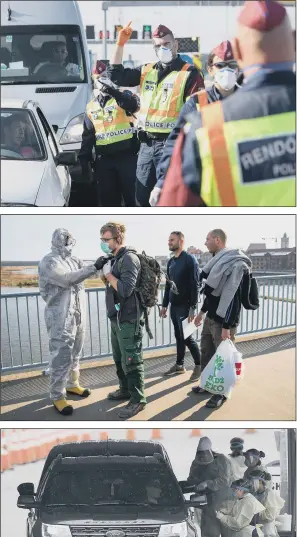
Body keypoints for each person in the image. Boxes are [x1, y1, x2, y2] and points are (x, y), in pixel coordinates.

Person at [158, 0, 296, 207]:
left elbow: (175, 206)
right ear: (294, 41)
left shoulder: (205, 127)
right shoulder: (198, 106)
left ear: (238, 52)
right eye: (220, 65)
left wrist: (161, 183)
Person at [108, 22, 204, 206]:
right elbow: (116, 75)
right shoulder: (146, 70)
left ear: (176, 45)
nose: (163, 48)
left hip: (171, 146)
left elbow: (196, 116)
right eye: (158, 46)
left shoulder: (189, 73)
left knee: (169, 199)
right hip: (146, 145)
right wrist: (120, 45)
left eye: (166, 44)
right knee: (142, 199)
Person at [151, 40, 241, 206]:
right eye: (220, 65)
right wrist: (162, 182)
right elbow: (175, 144)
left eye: (232, 64)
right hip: (206, 186)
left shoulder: (250, 102)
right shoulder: (197, 102)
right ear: (210, 70)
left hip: (241, 183)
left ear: (238, 68)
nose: (226, 70)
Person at [38, 229, 100, 415]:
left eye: (70, 238)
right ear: (59, 240)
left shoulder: (74, 260)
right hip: (60, 316)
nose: (69, 241)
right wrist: (94, 267)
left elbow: (91, 273)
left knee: (76, 352)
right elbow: (67, 280)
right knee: (61, 355)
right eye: (66, 238)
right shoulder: (49, 261)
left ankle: (73, 384)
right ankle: (57, 395)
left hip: (78, 316)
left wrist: (104, 262)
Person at [192, 229, 253, 409]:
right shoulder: (217, 263)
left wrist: (227, 326)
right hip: (211, 317)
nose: (205, 242)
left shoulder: (236, 264)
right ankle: (207, 384)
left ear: (217, 240)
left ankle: (222, 393)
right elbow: (212, 295)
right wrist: (202, 312)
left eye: (207, 239)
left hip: (224, 322)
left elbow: (232, 298)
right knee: (206, 352)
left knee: (223, 360)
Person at [99, 222, 146, 419]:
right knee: (119, 358)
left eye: (106, 239)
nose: (102, 243)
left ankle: (138, 399)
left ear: (118, 239)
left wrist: (108, 274)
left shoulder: (129, 259)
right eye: (101, 239)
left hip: (129, 319)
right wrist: (105, 274)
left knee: (131, 360)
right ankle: (125, 389)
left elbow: (126, 289)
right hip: (116, 318)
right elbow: (112, 286)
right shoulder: (115, 258)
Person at [78, 62, 140, 207]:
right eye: (99, 77)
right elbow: (88, 135)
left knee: (132, 199)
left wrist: (113, 91)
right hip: (104, 161)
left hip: (126, 157)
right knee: (109, 202)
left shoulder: (123, 96)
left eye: (105, 76)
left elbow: (132, 105)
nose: (102, 80)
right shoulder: (91, 106)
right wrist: (84, 161)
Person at [187, 436, 233, 537]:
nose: (202, 458)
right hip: (208, 503)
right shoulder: (196, 463)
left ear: (210, 451)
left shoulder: (222, 460)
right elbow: (191, 479)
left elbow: (226, 480)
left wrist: (208, 483)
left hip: (227, 503)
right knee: (208, 535)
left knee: (228, 535)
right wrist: (194, 486)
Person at [160, 231, 201, 381]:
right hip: (174, 306)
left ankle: (199, 366)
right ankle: (180, 365)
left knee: (187, 337)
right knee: (178, 336)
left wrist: (193, 308)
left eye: (172, 240)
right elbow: (168, 285)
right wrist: (164, 305)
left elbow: (194, 285)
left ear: (181, 241)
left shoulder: (190, 260)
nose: (169, 242)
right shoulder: (171, 262)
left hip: (185, 306)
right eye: (169, 240)